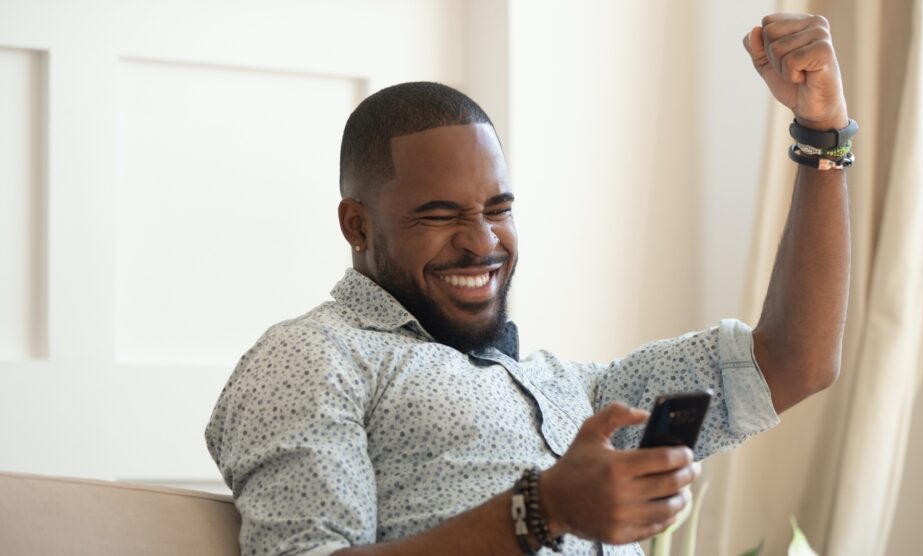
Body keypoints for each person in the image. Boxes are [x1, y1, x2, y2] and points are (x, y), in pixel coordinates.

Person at [206, 13, 852, 556]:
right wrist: (540, 511)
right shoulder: (312, 358)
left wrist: (822, 138)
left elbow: (794, 362)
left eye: (498, 209)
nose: (482, 241)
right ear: (357, 225)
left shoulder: (580, 395)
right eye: (440, 214)